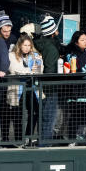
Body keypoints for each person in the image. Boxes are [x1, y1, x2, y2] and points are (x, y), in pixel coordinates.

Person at [6, 33, 43, 142]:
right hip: (17, 88)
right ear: (20, 45)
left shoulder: (34, 55)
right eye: (25, 45)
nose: (27, 48)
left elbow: (39, 71)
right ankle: (18, 140)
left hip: (31, 88)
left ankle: (28, 136)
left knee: (35, 111)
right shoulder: (12, 55)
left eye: (29, 45)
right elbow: (15, 69)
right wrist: (30, 71)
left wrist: (39, 62)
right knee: (18, 115)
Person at [33, 14, 62, 144]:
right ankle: (45, 143)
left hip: (40, 85)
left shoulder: (39, 43)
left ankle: (42, 141)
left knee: (43, 115)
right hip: (50, 87)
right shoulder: (51, 49)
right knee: (49, 117)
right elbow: (50, 69)